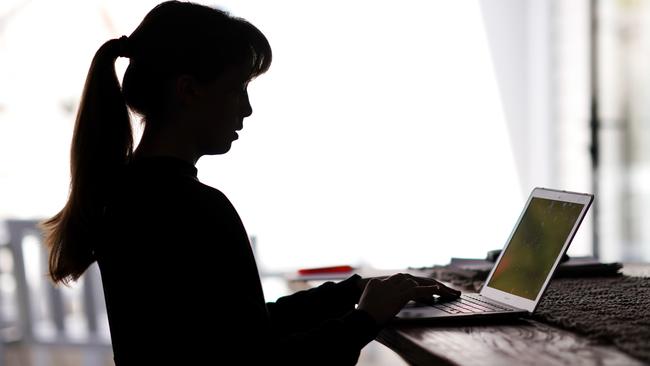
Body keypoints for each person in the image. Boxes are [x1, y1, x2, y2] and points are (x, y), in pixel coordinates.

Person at [42, 1, 460, 364]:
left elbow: (234, 334)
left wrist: (355, 291)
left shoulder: (126, 194)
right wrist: (364, 321)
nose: (246, 109)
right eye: (237, 88)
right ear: (189, 90)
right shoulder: (196, 208)